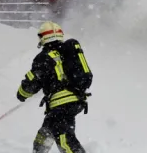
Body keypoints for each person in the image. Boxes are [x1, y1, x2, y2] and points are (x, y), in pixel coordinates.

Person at [16, 21, 93, 153]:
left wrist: (21, 94)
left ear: (42, 37)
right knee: (44, 136)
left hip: (61, 104)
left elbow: (32, 83)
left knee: (65, 140)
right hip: (75, 100)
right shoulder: (67, 52)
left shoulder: (43, 57)